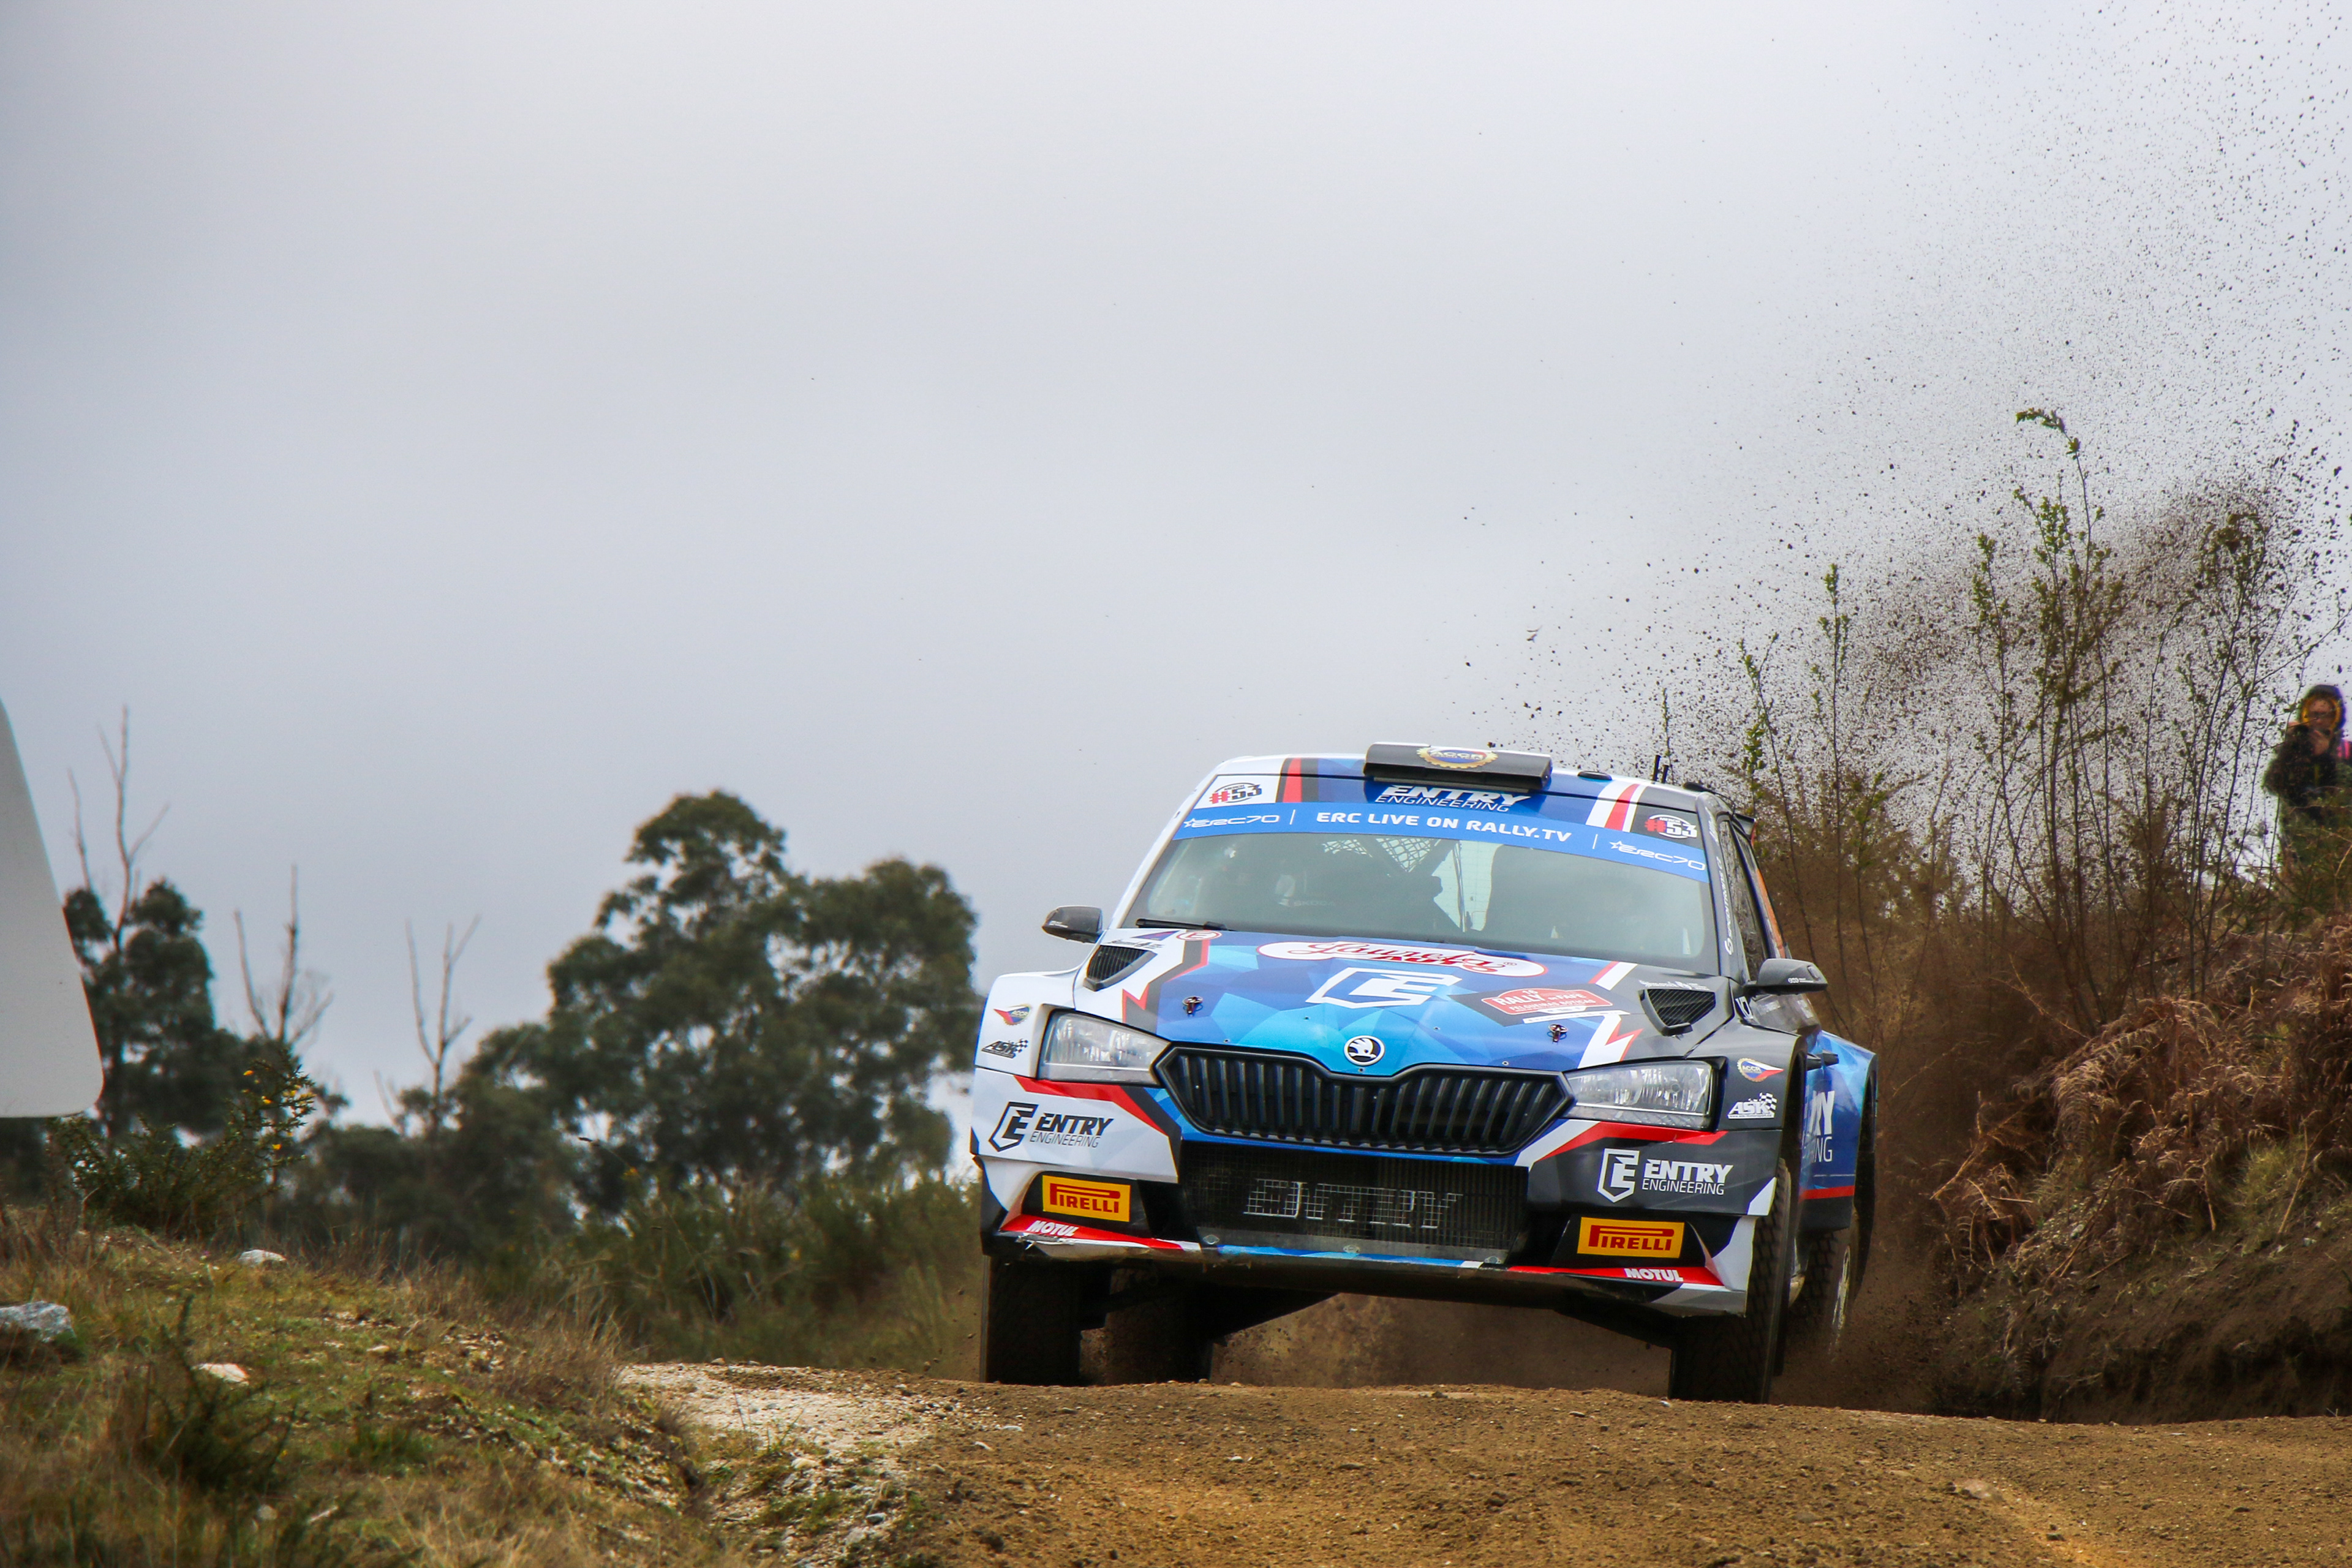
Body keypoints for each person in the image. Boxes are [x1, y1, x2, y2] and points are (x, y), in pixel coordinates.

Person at [2263, 684, 2352, 880]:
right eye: (2313, 714)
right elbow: (2273, 784)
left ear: (2336, 717)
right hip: (2298, 854)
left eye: (2326, 714)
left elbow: (2344, 791)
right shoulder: (2296, 751)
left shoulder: (2347, 752)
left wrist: (2325, 759)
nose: (2318, 721)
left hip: (2340, 853)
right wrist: (2290, 751)